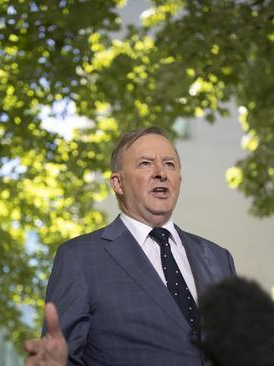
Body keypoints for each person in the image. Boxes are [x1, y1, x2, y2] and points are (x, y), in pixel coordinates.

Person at [43, 126, 236, 365]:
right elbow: (64, 357)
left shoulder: (218, 258)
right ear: (118, 183)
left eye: (169, 164)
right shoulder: (80, 257)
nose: (161, 173)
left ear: (179, 180)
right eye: (145, 163)